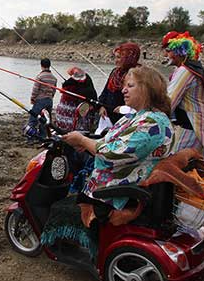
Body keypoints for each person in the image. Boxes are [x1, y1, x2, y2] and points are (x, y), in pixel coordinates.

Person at [63, 66, 174, 210]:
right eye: (124, 86)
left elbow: (112, 153)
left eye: (130, 86)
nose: (123, 90)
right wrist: (87, 144)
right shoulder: (135, 116)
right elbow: (111, 142)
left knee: (59, 210)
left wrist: (82, 140)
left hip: (116, 197)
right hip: (105, 188)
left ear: (147, 89)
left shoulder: (152, 123)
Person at [162, 31, 204, 160]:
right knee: (190, 163)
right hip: (195, 125)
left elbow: (169, 102)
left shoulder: (185, 72)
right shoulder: (192, 67)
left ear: (180, 50)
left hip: (193, 126)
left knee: (176, 161)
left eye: (168, 50)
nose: (165, 54)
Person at [97, 42, 141, 124]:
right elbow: (105, 92)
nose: (116, 61)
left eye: (119, 57)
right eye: (115, 57)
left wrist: (125, 108)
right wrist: (102, 106)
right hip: (109, 118)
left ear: (129, 58)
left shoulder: (139, 74)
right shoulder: (114, 72)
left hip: (127, 119)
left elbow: (142, 99)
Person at [54, 67, 97, 132]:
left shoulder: (74, 82)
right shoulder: (86, 81)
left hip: (78, 106)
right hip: (86, 104)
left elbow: (66, 86)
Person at [26, 58, 57, 142]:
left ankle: (30, 138)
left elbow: (35, 89)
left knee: (33, 118)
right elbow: (54, 91)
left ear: (41, 66)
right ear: (49, 66)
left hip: (40, 100)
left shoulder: (40, 76)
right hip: (49, 101)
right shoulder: (54, 78)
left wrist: (32, 98)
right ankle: (42, 138)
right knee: (45, 120)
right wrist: (50, 97)